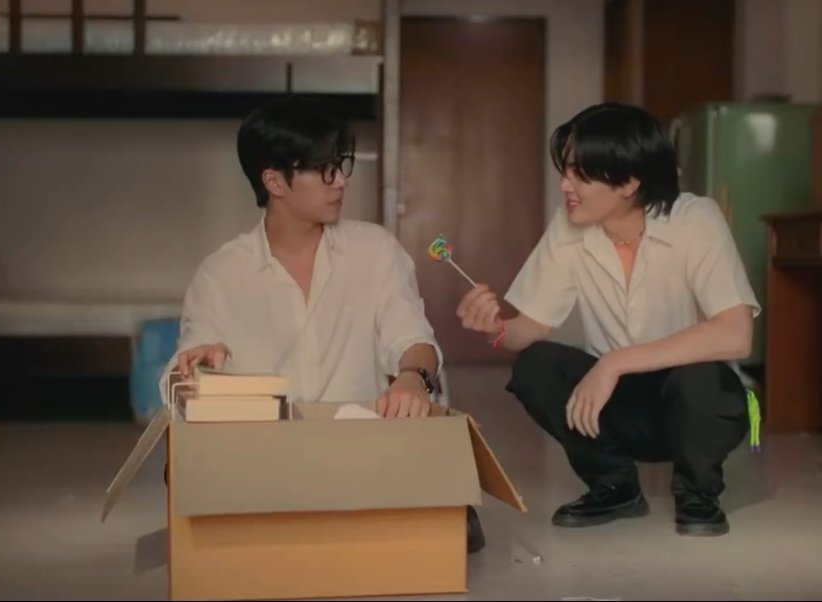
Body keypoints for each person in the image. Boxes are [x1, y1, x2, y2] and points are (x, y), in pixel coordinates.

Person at [158, 95, 485, 553]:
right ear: (274, 180)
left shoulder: (375, 251)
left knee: (443, 513)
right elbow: (180, 377)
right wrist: (197, 372)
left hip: (361, 447)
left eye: (341, 165)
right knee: (184, 466)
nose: (341, 181)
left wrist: (414, 377)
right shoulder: (221, 273)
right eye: (323, 169)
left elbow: (413, 340)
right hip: (269, 457)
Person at [456, 102, 759, 537]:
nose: (565, 185)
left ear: (629, 182)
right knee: (535, 365)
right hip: (614, 405)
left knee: (700, 377)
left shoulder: (695, 219)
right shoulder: (569, 226)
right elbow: (530, 329)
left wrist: (615, 362)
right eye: (566, 171)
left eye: (581, 174)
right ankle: (614, 486)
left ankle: (698, 492)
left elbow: (736, 335)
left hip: (693, 405)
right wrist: (497, 330)